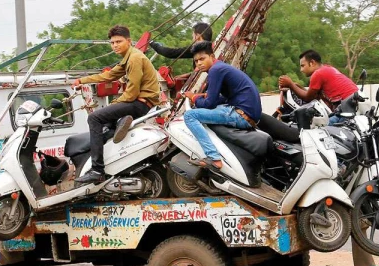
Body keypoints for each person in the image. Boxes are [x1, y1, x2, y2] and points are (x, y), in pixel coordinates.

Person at [72, 25, 161, 184]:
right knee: (105, 121)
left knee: (94, 118)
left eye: (118, 41)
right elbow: (109, 76)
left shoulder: (134, 58)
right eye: (112, 43)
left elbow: (132, 92)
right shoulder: (129, 57)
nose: (115, 45)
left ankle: (97, 170)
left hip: (140, 104)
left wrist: (113, 103)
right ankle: (116, 143)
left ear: (129, 41)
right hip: (137, 102)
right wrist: (81, 80)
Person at [183, 41, 262, 170]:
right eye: (196, 61)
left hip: (240, 115)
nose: (199, 63)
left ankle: (214, 158)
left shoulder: (215, 70)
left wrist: (194, 97)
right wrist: (204, 97)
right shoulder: (220, 67)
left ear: (212, 57)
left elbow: (209, 103)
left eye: (202, 59)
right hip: (246, 114)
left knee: (190, 116)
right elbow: (224, 98)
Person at [278, 49, 358, 125]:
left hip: (345, 112)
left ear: (312, 63)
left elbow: (307, 98)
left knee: (320, 130)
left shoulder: (318, 74)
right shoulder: (327, 69)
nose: (301, 70)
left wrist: (291, 84)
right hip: (353, 106)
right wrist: (296, 86)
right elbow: (313, 96)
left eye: (303, 66)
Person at [148, 22, 214, 61]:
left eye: (193, 36)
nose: (192, 39)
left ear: (198, 36)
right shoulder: (211, 48)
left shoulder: (198, 48)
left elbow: (170, 53)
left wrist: (152, 43)